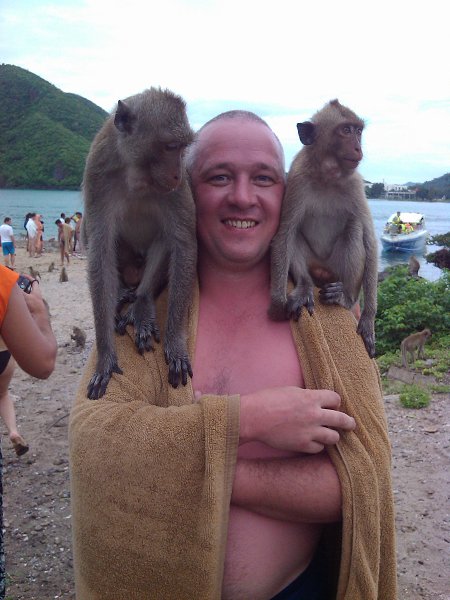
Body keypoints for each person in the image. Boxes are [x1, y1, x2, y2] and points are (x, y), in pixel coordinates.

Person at [69, 111, 397, 599]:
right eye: (219, 177)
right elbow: (96, 447)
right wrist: (248, 422)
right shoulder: (145, 316)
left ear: (284, 192)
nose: (243, 197)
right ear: (184, 188)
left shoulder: (327, 324)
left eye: (263, 178)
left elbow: (364, 481)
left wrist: (194, 466)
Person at [0, 263, 57, 597]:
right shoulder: (3, 281)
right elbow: (43, 362)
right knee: (2, 393)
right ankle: (12, 430)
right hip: (3, 358)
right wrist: (37, 309)